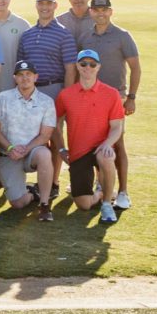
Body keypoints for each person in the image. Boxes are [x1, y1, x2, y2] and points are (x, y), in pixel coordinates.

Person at [77, 0, 141, 211]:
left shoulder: (122, 36)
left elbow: (136, 68)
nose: (100, 13)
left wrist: (131, 97)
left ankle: (123, 191)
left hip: (116, 98)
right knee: (95, 141)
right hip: (90, 97)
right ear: (91, 12)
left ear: (110, 12)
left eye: (104, 10)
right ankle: (102, 184)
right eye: (96, 10)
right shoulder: (86, 36)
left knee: (117, 143)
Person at [58, 49, 127, 222]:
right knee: (84, 205)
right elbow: (55, 123)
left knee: (106, 156)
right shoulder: (66, 95)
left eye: (92, 64)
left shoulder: (111, 94)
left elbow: (117, 127)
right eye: (83, 64)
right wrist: (60, 148)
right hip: (78, 152)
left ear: (98, 67)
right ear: (77, 66)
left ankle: (106, 205)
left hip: (101, 147)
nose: (87, 68)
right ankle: (101, 192)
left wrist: (107, 143)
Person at [0, 60, 59, 220]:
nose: (25, 78)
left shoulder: (46, 102)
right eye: (20, 75)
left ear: (36, 77)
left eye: (29, 74)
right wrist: (10, 148)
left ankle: (44, 204)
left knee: (44, 154)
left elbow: (45, 135)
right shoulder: (3, 98)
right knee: (18, 204)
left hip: (32, 152)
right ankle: (33, 193)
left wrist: (26, 149)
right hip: (8, 154)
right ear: (15, 78)